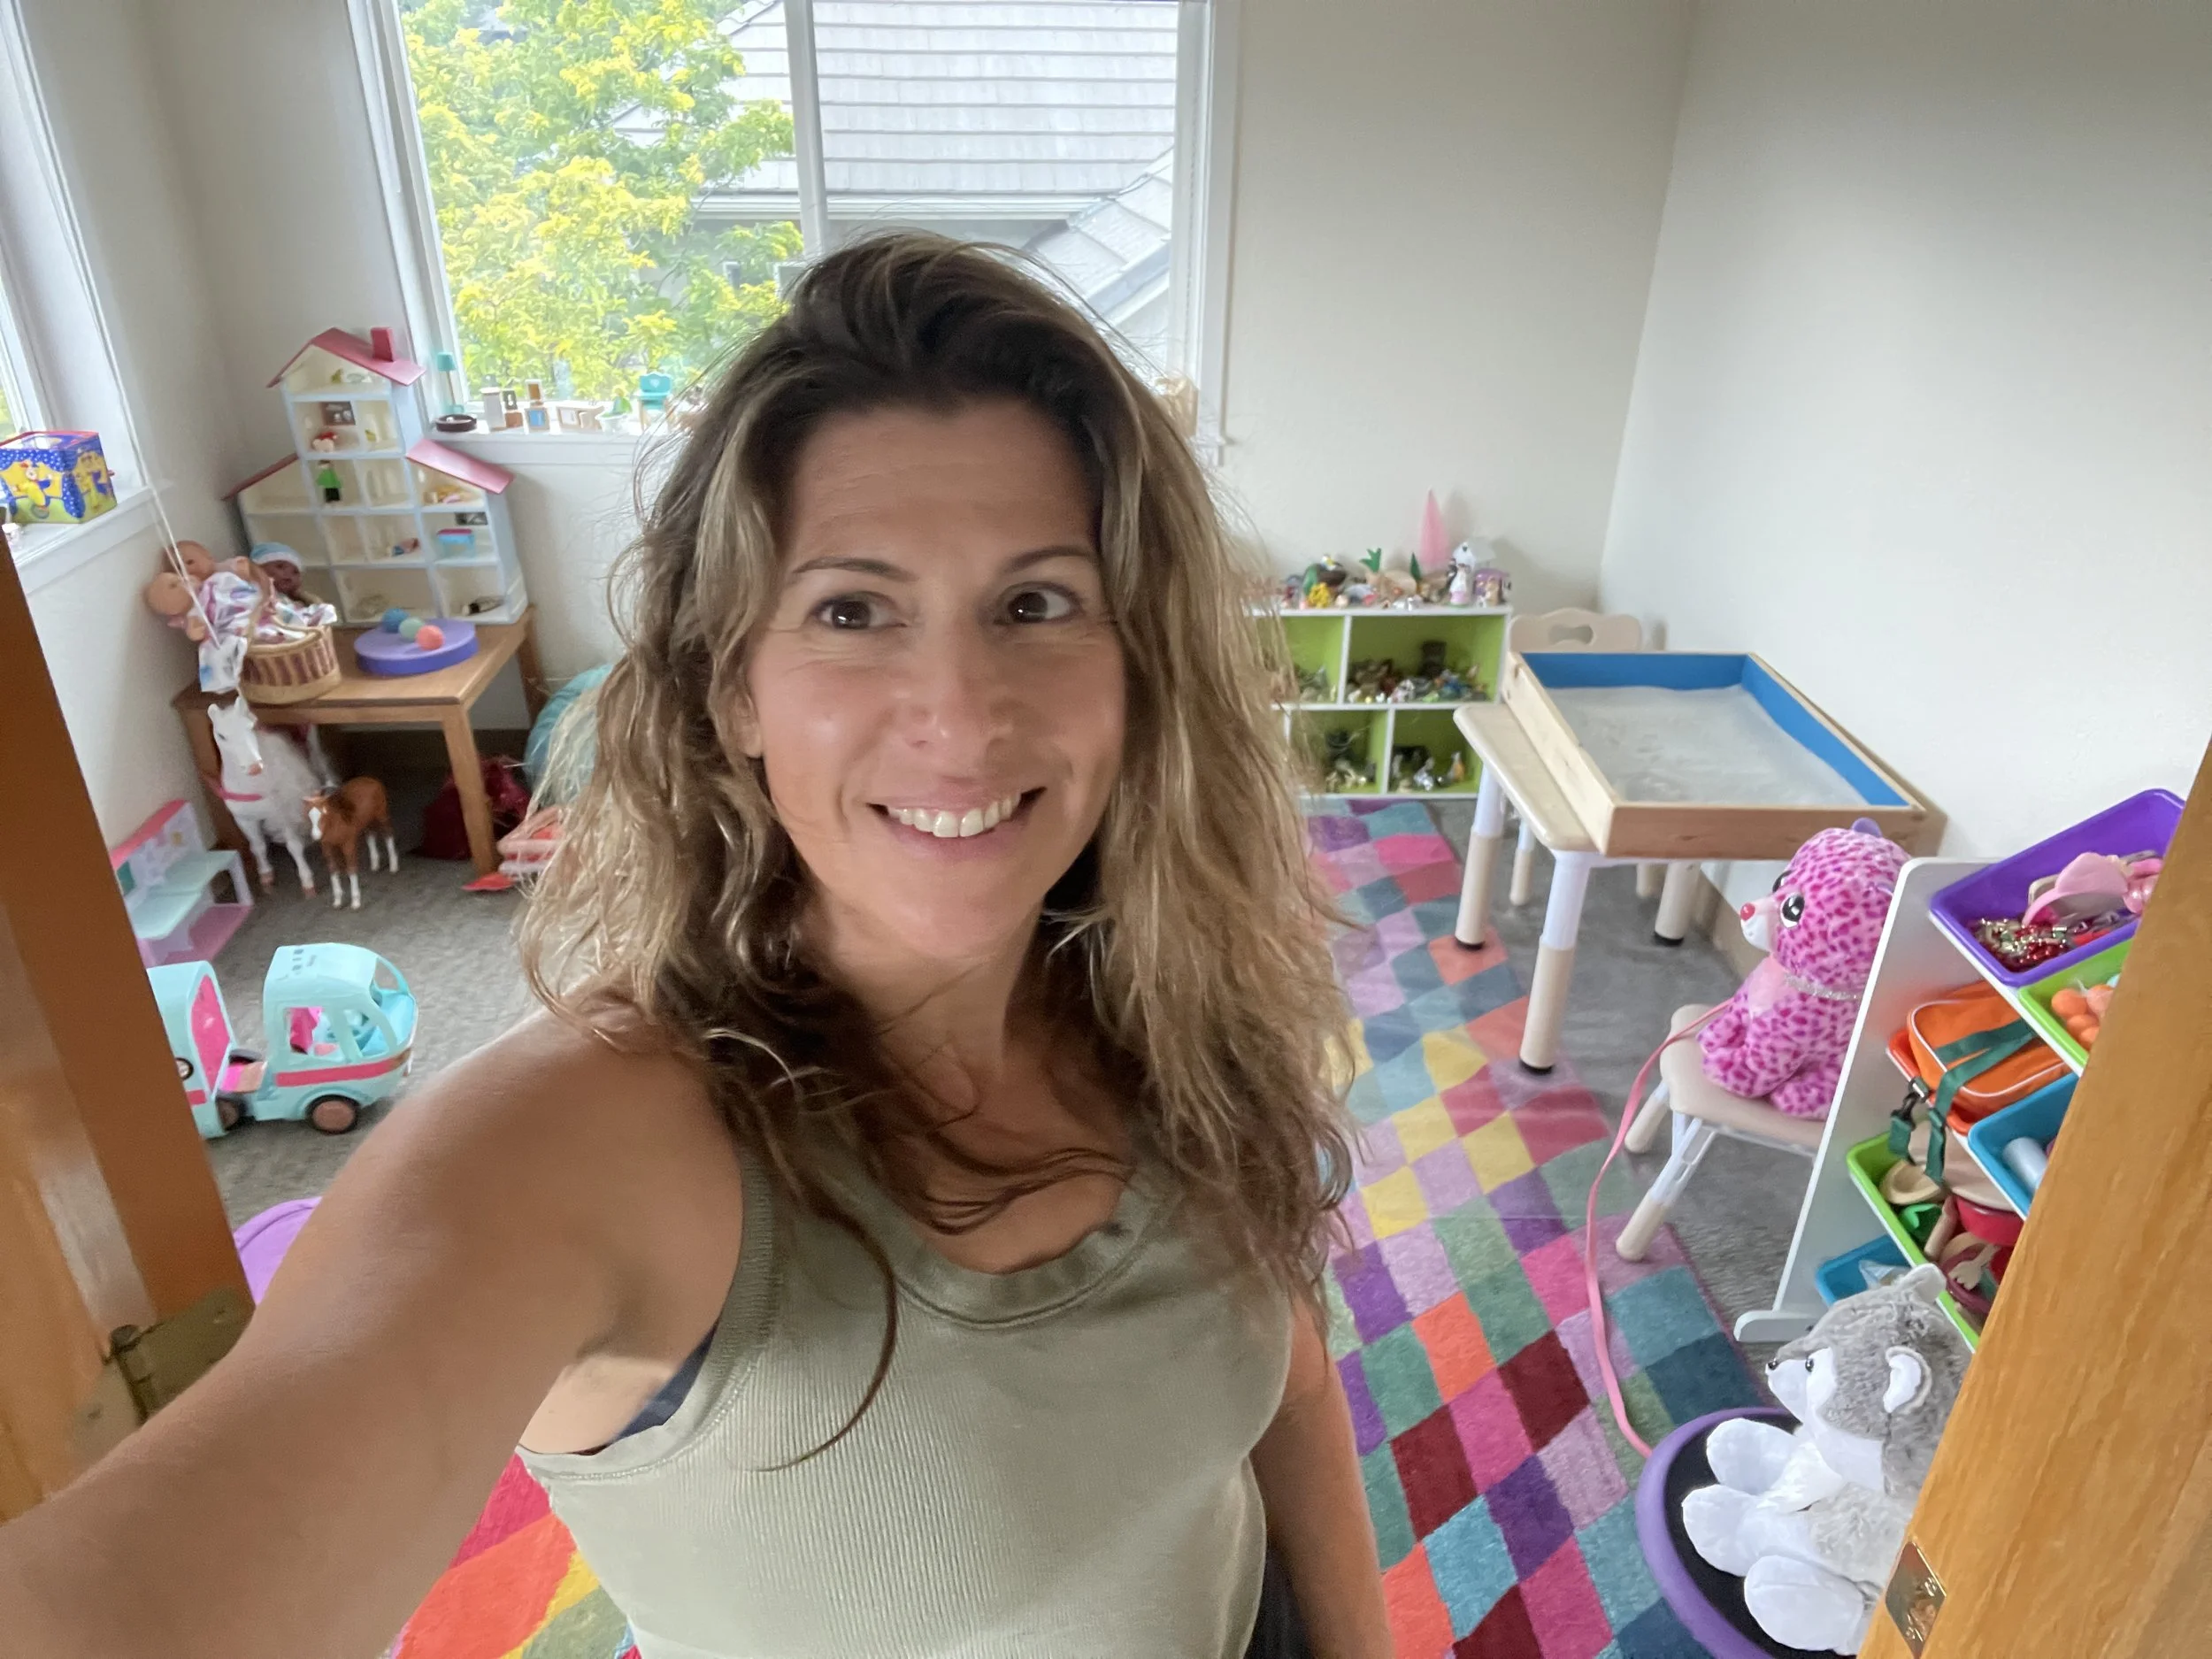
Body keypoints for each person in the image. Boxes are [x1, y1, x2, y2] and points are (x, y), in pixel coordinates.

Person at [0, 234, 1389, 1659]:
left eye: (1034, 603)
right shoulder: (566, 1151)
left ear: (1134, 665)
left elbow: (1284, 1384)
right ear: (733, 688)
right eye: (853, 611)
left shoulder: (1171, 988)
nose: (962, 715)